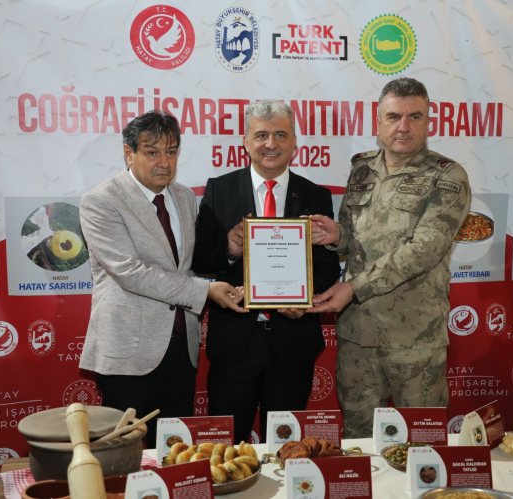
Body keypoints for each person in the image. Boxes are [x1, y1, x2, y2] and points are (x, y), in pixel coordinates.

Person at [308, 78, 471, 438]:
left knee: (423, 444)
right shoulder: (362, 169)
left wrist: (353, 288)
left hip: (414, 339)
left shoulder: (448, 176)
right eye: (394, 116)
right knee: (360, 440)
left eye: (415, 117)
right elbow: (355, 237)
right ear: (378, 121)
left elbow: (423, 250)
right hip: (358, 336)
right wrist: (337, 236)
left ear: (429, 122)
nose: (404, 126)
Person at [79, 111, 246, 447]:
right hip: (129, 351)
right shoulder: (101, 201)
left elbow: (186, 265)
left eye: (171, 152)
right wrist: (206, 290)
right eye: (152, 152)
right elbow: (130, 272)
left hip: (181, 349)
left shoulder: (184, 197)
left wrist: (229, 254)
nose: (164, 162)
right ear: (129, 153)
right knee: (125, 454)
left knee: (174, 452)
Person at [193, 100, 341, 443]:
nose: (270, 144)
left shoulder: (316, 196)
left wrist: (304, 298)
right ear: (246, 142)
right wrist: (230, 251)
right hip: (235, 344)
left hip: (292, 344)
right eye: (261, 135)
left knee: (287, 448)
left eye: (280, 135)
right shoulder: (219, 189)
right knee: (228, 448)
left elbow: (327, 266)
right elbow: (200, 260)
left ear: (294, 142)